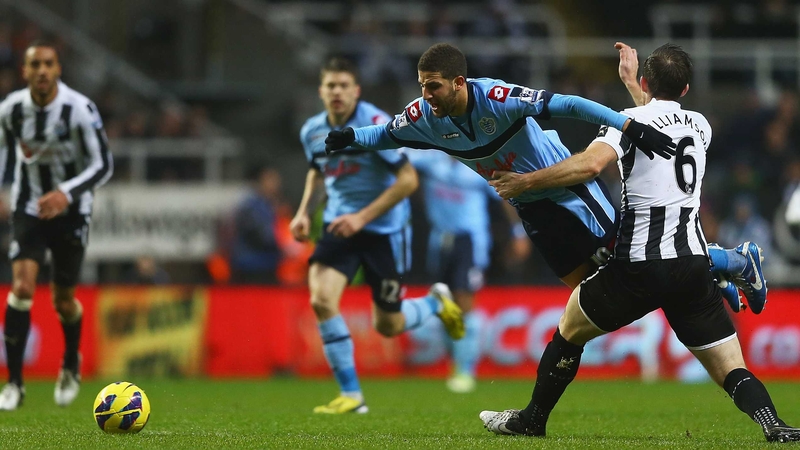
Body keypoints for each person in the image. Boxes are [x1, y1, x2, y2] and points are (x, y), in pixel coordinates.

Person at [479, 43, 800, 443]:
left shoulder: (626, 119)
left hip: (637, 268)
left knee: (569, 331)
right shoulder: (701, 125)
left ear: (648, 82)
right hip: (691, 266)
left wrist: (525, 182)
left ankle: (533, 419)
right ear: (685, 89)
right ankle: (775, 424)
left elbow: (592, 164)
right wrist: (634, 84)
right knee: (730, 368)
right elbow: (656, 126)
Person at [325, 43, 752, 301]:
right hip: (529, 205)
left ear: (458, 82)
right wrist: (350, 137)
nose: (425, 94)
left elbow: (567, 104)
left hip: (566, 186)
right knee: (592, 291)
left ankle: (726, 262)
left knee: (631, 260)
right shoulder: (424, 116)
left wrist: (628, 124)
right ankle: (709, 283)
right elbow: (384, 135)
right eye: (421, 85)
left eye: (433, 85)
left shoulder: (497, 97)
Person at [291, 57, 464, 414]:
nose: (337, 92)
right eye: (330, 86)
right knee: (321, 300)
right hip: (340, 227)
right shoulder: (312, 131)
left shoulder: (375, 125)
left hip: (385, 230)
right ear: (322, 92)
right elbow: (318, 173)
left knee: (388, 325)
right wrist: (303, 213)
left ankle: (434, 302)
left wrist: (361, 217)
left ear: (356, 91)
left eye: (343, 85)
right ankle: (352, 397)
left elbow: (408, 180)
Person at [0, 41, 113, 410]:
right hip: (29, 205)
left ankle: (70, 363)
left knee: (64, 300)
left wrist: (65, 193)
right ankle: (14, 384)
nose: (43, 71)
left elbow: (103, 165)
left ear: (58, 69)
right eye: (35, 64)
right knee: (21, 286)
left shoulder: (79, 110)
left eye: (49, 64)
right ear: (25, 71)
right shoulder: (11, 110)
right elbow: (3, 155)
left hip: (71, 210)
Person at [408, 150, 530, 393]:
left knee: (464, 299)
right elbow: (396, 156)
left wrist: (518, 233)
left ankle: (465, 370)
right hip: (440, 239)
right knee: (444, 303)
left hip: (471, 240)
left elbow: (503, 196)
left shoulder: (479, 165)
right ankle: (457, 361)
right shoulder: (429, 159)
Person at [230, 167, 284, 284]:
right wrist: (285, 246)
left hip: (268, 264)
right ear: (262, 181)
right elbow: (260, 235)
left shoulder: (270, 204)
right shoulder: (251, 206)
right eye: (271, 180)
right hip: (252, 266)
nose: (276, 184)